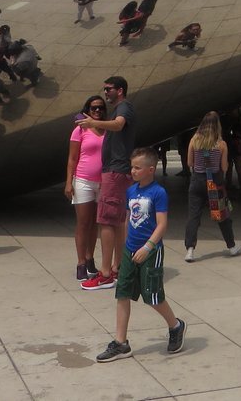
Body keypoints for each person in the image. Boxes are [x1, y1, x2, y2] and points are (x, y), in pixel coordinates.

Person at [95, 148, 186, 362]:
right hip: (130, 250)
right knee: (122, 293)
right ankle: (120, 343)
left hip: (150, 251)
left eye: (137, 167)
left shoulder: (158, 193)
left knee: (152, 296)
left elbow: (162, 224)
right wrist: (126, 247)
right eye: (132, 166)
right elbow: (127, 219)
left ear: (150, 170)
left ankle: (175, 325)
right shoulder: (131, 191)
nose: (132, 171)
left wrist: (148, 247)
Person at [77, 76, 136, 290]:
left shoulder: (124, 108)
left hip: (115, 171)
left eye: (108, 89)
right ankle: (118, 268)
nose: (105, 92)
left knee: (107, 221)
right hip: (118, 171)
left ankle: (104, 274)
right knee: (118, 220)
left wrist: (93, 123)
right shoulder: (121, 108)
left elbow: (119, 126)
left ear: (120, 90)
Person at [183, 111, 241, 261]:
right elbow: (224, 167)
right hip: (214, 183)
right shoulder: (221, 144)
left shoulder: (194, 140)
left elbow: (189, 163)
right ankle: (232, 246)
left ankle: (190, 249)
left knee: (193, 217)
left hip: (197, 181)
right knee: (222, 215)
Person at [65, 96, 105, 280]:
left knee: (95, 224)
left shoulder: (108, 129)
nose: (97, 111)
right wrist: (68, 182)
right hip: (83, 180)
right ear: (87, 110)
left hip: (103, 182)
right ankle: (81, 262)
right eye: (94, 108)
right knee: (83, 223)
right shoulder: (80, 130)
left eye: (100, 108)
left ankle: (90, 259)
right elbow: (72, 158)